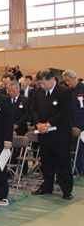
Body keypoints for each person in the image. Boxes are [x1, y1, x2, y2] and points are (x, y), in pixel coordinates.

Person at [31, 69, 73, 199]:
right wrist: (38, 124)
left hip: (60, 134)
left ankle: (66, 190)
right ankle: (46, 187)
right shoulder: (38, 92)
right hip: (44, 135)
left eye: (43, 83)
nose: (42, 86)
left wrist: (48, 124)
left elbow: (64, 112)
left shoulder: (64, 92)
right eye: (40, 83)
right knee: (46, 162)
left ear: (52, 80)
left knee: (62, 163)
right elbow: (34, 109)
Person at [63, 70, 84, 175]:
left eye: (68, 80)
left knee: (81, 146)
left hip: (82, 122)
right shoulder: (67, 91)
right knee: (73, 146)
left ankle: (82, 169)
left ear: (74, 78)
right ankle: (75, 168)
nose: (67, 82)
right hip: (71, 122)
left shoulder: (82, 88)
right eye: (66, 81)